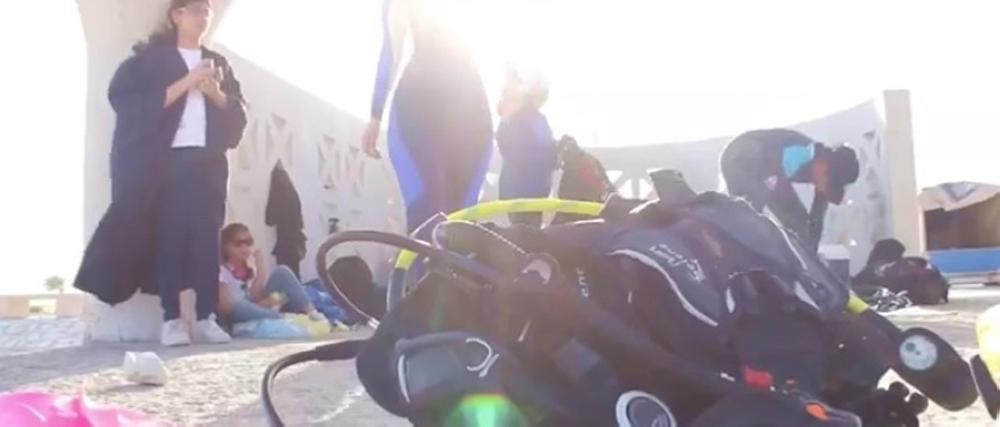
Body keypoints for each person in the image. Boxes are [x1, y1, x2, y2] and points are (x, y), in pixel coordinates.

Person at [74, 0, 247, 346]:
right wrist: (188, 81)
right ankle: (172, 320)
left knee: (207, 239)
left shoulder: (219, 63)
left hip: (209, 162)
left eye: (207, 11)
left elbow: (237, 114)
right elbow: (130, 105)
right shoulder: (150, 61)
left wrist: (214, 93)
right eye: (195, 10)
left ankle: (207, 317)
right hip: (168, 162)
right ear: (177, 15)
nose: (203, 17)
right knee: (171, 237)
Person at [360, 0, 494, 232]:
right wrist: (375, 116)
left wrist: (375, 116)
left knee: (432, 220)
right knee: (457, 223)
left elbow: (390, 54)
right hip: (468, 109)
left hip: (427, 107)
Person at [720, 128, 859, 252]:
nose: (823, 185)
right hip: (742, 155)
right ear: (824, 164)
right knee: (751, 212)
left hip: (770, 172)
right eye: (829, 181)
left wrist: (820, 198)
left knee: (800, 231)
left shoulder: (819, 173)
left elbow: (810, 234)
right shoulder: (802, 151)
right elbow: (770, 180)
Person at [217, 223, 327, 324]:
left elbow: (255, 297)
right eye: (238, 244)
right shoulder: (222, 271)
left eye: (248, 243)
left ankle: (313, 313)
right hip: (239, 313)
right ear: (226, 246)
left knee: (282, 271)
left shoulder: (249, 266)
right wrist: (262, 304)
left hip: (256, 308)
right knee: (239, 306)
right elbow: (226, 308)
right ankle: (286, 318)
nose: (244, 248)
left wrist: (260, 268)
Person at [496, 66, 558, 227]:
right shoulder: (530, 119)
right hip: (526, 191)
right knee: (526, 229)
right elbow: (544, 153)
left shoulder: (516, 119)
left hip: (523, 191)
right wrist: (554, 155)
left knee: (525, 229)